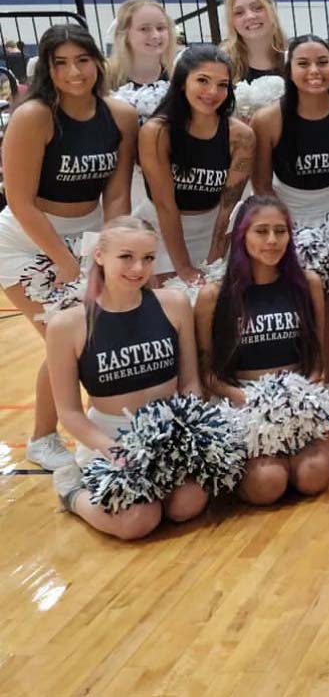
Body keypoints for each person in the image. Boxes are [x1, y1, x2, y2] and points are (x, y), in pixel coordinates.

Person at [0, 25, 137, 471]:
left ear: (98, 60)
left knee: (87, 338)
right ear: (47, 70)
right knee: (66, 339)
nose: (74, 72)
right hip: (25, 240)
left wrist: (116, 247)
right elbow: (19, 201)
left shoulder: (120, 115)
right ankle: (43, 438)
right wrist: (62, 259)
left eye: (82, 60)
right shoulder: (33, 116)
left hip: (90, 236)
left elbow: (116, 195)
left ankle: (96, 427)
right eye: (60, 63)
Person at [44, 217, 209, 539]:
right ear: (100, 256)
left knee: (187, 505)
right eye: (126, 257)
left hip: (167, 432)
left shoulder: (174, 304)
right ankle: (72, 493)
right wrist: (113, 451)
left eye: (148, 258)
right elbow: (69, 412)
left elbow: (190, 383)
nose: (138, 268)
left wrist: (186, 432)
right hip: (109, 440)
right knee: (136, 522)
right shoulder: (68, 325)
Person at [251, 35, 329, 406]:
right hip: (287, 215)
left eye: (322, 62)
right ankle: (299, 380)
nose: (314, 71)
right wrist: (285, 228)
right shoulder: (269, 118)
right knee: (294, 300)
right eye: (303, 63)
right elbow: (260, 182)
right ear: (288, 70)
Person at [196, 196, 329, 503]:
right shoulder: (214, 295)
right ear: (242, 234)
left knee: (314, 475)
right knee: (267, 484)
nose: (272, 240)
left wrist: (303, 395)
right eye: (261, 231)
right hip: (244, 403)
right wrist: (245, 399)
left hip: (297, 399)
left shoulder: (307, 284)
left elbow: (318, 357)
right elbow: (206, 371)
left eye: (280, 231)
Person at [138, 45, 255, 281]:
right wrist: (183, 268)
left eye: (222, 84)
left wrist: (216, 256)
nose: (212, 91)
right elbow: (165, 205)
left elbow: (228, 206)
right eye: (202, 80)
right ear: (182, 82)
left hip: (212, 228)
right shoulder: (157, 132)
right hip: (160, 230)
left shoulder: (241, 136)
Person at [105, 0, 178, 92]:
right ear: (125, 34)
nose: (155, 35)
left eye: (160, 28)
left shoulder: (179, 78)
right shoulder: (104, 79)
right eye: (144, 29)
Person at [220, 0, 287, 82]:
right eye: (239, 13)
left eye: (258, 8)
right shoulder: (222, 63)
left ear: (272, 12)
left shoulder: (294, 57)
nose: (250, 16)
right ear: (232, 22)